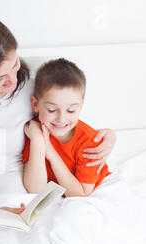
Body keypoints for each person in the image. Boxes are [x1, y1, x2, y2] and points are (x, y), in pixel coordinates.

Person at [0, 17, 116, 216]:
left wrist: (108, 136)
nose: (12, 81)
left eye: (14, 65)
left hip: (25, 203)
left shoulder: (31, 90)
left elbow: (66, 123)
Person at [23, 58, 111, 197]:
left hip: (90, 192)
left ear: (81, 105)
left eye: (71, 111)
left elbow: (80, 195)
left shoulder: (90, 142)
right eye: (51, 110)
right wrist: (39, 142)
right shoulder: (35, 132)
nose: (61, 119)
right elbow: (35, 190)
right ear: (35, 105)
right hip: (57, 194)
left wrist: (50, 153)